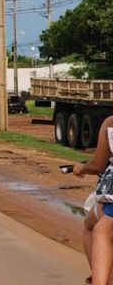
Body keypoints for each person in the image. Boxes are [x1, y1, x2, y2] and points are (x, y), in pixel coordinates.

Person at [72, 115, 113, 285]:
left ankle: (100, 278)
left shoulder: (110, 123)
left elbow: (97, 165)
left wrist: (82, 167)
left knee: (100, 230)